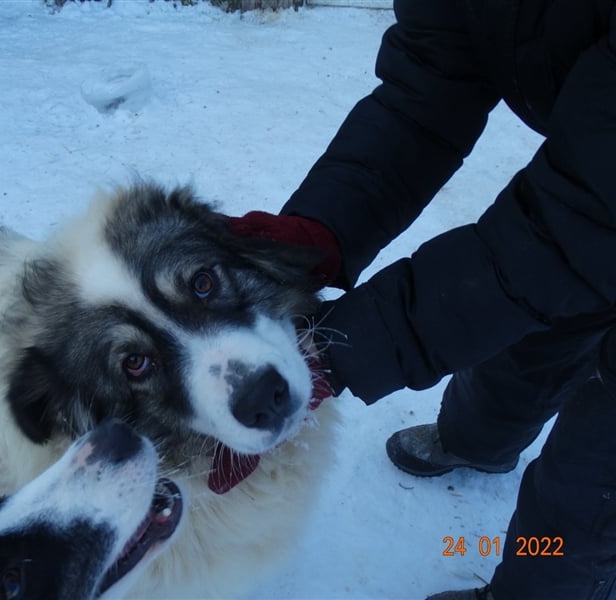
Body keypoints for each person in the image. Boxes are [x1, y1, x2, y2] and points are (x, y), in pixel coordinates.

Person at [228, 1, 615, 598]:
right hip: (596, 182)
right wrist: (315, 237)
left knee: (591, 481)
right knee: (532, 330)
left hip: (596, 197)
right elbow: (426, 93)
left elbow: (571, 228)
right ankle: (478, 442)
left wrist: (337, 354)